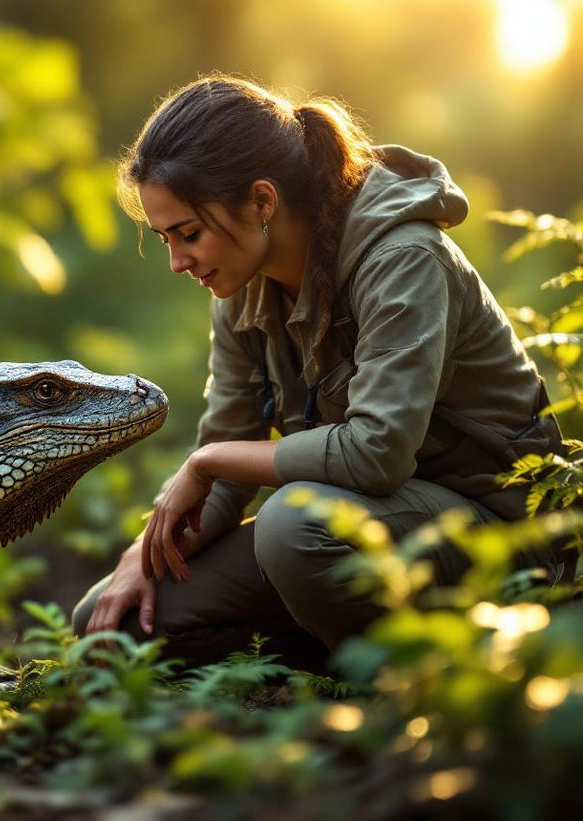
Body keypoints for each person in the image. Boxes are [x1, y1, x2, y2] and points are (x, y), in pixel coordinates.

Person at [72, 74, 568, 671]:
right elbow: (225, 469)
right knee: (109, 622)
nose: (178, 263)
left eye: (189, 234)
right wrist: (138, 557)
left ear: (261, 201)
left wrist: (205, 461)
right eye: (166, 239)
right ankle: (337, 647)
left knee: (292, 527)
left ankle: (420, 681)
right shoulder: (238, 291)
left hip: (496, 533)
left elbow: (375, 455)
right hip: (361, 532)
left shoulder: (403, 259)